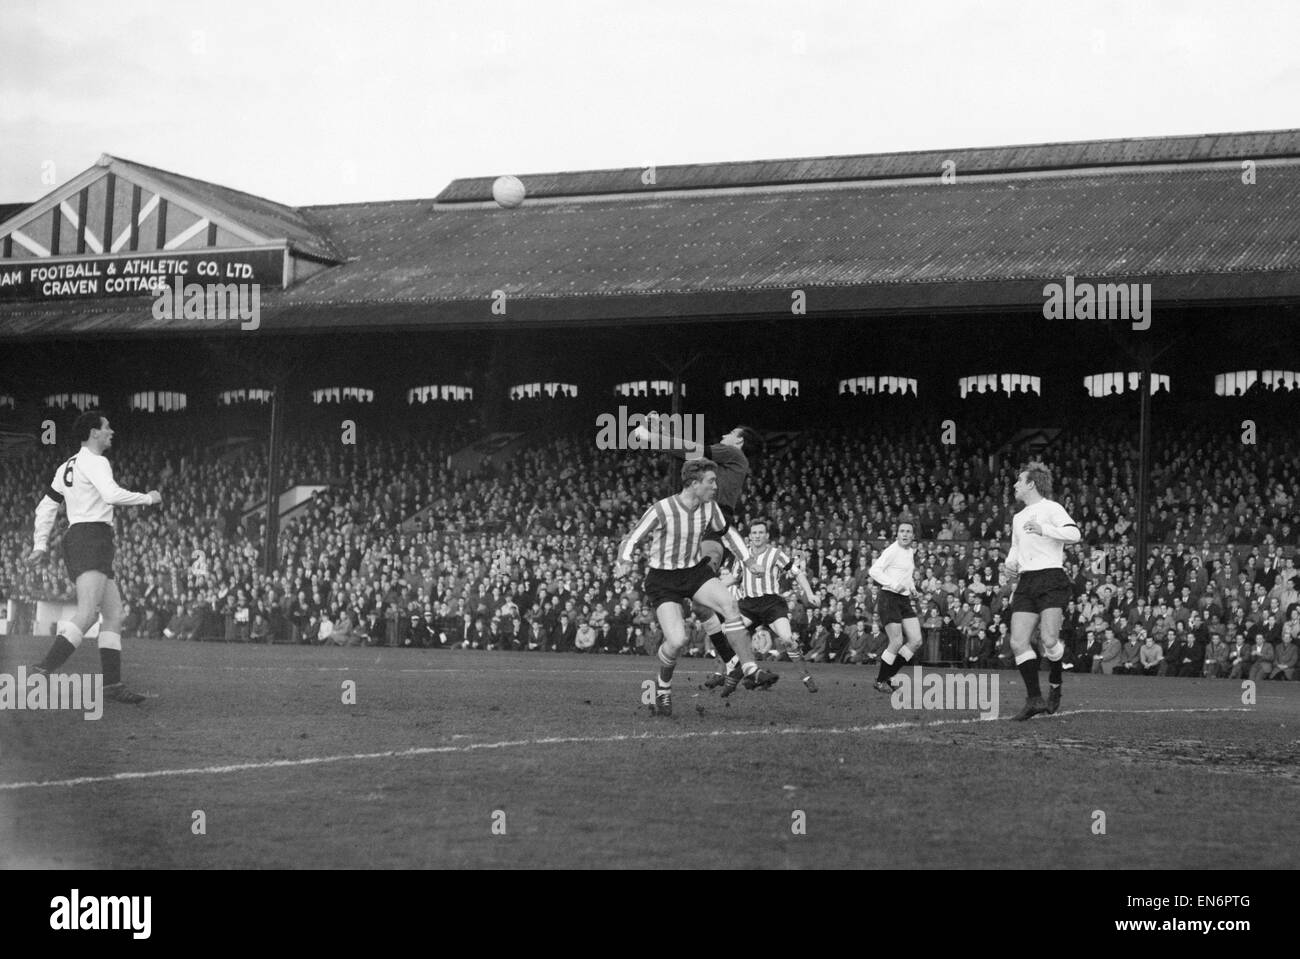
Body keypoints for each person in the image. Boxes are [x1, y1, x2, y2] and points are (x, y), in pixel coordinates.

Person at [615, 458, 774, 717]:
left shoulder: (709, 507)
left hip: (693, 572)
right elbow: (632, 538)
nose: (715, 486)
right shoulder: (662, 509)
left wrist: (748, 560)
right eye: (711, 481)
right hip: (663, 579)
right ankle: (663, 688)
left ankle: (749, 669)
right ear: (693, 483)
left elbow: (728, 533)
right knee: (677, 640)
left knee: (729, 604)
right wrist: (624, 562)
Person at [25, 411, 162, 704]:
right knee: (87, 614)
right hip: (91, 537)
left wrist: (40, 544)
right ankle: (42, 670)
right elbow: (111, 495)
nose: (111, 431)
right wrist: (148, 498)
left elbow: (46, 507)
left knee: (114, 615)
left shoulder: (66, 467)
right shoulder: (96, 461)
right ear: (93, 432)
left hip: (86, 538)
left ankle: (112, 685)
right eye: (106, 427)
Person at [633, 414, 762, 685]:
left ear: (739, 440)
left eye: (730, 432)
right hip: (703, 522)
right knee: (702, 607)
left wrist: (651, 438)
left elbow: (694, 449)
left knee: (710, 602)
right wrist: (662, 432)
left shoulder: (732, 454)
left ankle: (740, 664)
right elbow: (692, 468)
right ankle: (733, 662)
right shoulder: (723, 466)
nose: (725, 436)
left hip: (711, 525)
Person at [1002, 463, 1080, 720]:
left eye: (1019, 480)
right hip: (1026, 581)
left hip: (1050, 577)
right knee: (1017, 642)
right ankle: (1034, 699)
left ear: (1031, 484)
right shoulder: (1018, 517)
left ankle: (1055, 682)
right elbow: (1016, 547)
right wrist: (1010, 564)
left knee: (1048, 640)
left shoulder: (1051, 508)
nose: (1015, 485)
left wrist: (1043, 529)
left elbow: (1074, 534)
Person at [714, 520, 820, 694]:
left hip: (772, 604)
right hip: (748, 605)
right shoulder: (743, 556)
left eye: (761, 532)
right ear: (749, 536)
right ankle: (723, 674)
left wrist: (809, 593)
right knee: (727, 633)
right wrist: (712, 588)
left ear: (767, 536)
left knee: (787, 639)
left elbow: (797, 573)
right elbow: (733, 577)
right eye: (754, 533)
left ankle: (806, 677)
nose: (757, 536)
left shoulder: (776, 554)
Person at [869, 521, 923, 693]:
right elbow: (874, 571)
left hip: (904, 599)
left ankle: (887, 677)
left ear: (913, 536)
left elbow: (906, 575)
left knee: (916, 641)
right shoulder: (891, 551)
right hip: (889, 598)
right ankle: (880, 681)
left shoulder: (909, 551)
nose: (905, 534)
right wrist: (893, 584)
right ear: (897, 534)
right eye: (902, 531)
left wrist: (912, 589)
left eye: (908, 532)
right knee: (897, 641)